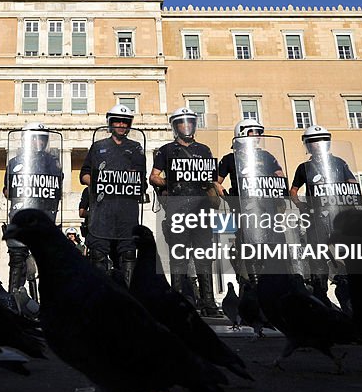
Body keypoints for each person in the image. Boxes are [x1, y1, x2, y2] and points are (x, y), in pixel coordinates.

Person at [150, 107, 224, 317]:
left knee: (203, 255)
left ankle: (208, 302)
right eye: (182, 123)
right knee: (179, 254)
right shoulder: (166, 150)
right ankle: (178, 299)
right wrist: (169, 182)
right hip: (178, 206)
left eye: (190, 122)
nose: (187, 126)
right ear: (176, 126)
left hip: (202, 207)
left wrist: (220, 193)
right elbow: (153, 176)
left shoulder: (204, 150)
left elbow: (213, 178)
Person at [288, 125, 358, 303]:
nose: (317, 145)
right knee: (317, 257)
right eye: (312, 142)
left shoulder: (339, 163)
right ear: (308, 145)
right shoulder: (304, 167)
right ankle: (320, 296)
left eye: (320, 141)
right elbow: (293, 190)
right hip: (316, 217)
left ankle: (348, 293)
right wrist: (300, 205)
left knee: (344, 256)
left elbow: (351, 183)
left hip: (338, 216)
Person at [80, 104, 146, 285]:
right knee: (98, 253)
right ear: (110, 123)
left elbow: (141, 179)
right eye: (117, 121)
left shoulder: (136, 148)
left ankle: (128, 298)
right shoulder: (98, 146)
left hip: (127, 211)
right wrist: (97, 182)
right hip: (102, 211)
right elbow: (84, 174)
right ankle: (99, 296)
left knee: (128, 253)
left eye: (125, 122)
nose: (121, 125)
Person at [216, 119, 284, 281]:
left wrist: (278, 197)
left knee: (270, 242)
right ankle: (252, 280)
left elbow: (280, 176)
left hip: (266, 206)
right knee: (246, 242)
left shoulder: (266, 156)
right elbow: (216, 182)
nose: (258, 136)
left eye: (259, 132)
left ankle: (272, 278)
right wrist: (228, 198)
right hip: (242, 207)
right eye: (255, 132)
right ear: (242, 133)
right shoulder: (229, 159)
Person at [4, 123, 62, 293]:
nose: (38, 142)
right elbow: (7, 191)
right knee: (17, 260)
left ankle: (48, 300)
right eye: (34, 138)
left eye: (42, 138)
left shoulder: (53, 162)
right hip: (21, 215)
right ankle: (14, 298)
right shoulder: (14, 162)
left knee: (46, 260)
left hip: (43, 217)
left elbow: (55, 188)